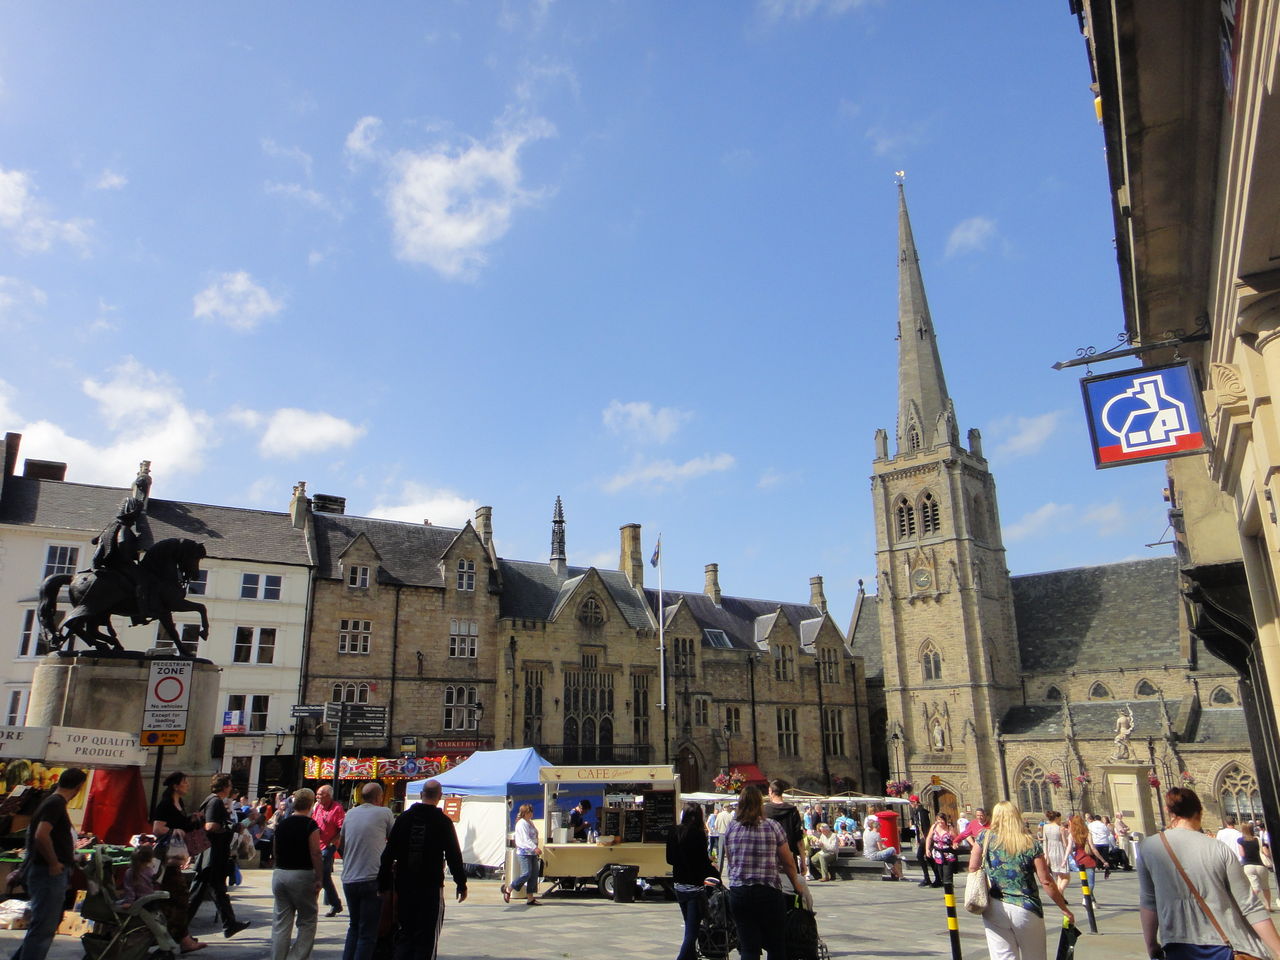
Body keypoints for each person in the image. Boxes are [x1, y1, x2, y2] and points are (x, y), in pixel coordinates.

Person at [1140, 788, 1280, 960]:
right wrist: (1278, 949)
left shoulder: (1147, 848)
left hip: (1177, 946)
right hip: (1225, 947)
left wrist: (1151, 945)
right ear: (1199, 813)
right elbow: (1249, 905)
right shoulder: (1218, 848)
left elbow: (1148, 903)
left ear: (1169, 812)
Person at [968, 800, 1073, 960]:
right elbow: (1046, 880)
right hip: (1026, 907)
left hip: (994, 906)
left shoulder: (984, 837)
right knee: (1035, 957)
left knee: (1003, 957)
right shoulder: (1030, 842)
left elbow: (973, 867)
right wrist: (1063, 908)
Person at [378, 779, 467, 960]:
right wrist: (461, 883)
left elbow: (388, 853)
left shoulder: (404, 819)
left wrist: (383, 883)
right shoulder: (443, 821)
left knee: (406, 932)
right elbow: (453, 854)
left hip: (405, 884)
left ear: (421, 794)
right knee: (426, 936)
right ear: (439, 797)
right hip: (430, 885)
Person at [722, 785, 810, 960]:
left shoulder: (731, 828)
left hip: (740, 892)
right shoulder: (772, 826)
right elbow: (788, 861)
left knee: (748, 948)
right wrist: (796, 884)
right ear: (760, 804)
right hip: (768, 892)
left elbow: (730, 860)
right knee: (776, 946)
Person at [11, 767, 88, 960]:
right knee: (44, 927)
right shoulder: (55, 803)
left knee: (43, 925)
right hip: (47, 874)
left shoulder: (52, 802)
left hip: (46, 871)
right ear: (79, 787)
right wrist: (54, 863)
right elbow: (41, 835)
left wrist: (69, 857)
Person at [187, 773, 250, 938]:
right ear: (224, 786)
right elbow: (210, 826)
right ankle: (178, 930)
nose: (231, 788)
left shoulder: (213, 800)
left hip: (213, 854)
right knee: (198, 893)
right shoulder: (215, 802)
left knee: (217, 890)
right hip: (212, 854)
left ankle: (230, 924)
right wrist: (232, 827)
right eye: (229, 784)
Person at [339, 782, 396, 960]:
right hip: (371, 877)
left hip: (349, 878)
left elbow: (341, 844)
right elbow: (394, 840)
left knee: (354, 926)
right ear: (379, 797)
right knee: (368, 933)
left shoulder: (350, 814)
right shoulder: (385, 813)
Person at [151, 770, 204, 953]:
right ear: (175, 786)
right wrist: (173, 831)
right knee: (180, 897)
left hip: (175, 858)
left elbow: (182, 825)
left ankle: (177, 936)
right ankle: (181, 939)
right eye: (185, 782)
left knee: (173, 898)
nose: (188, 785)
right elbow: (157, 828)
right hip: (166, 859)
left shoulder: (179, 803)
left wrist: (193, 819)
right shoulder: (166, 804)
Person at [272, 788, 323, 960]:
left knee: (281, 922)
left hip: (280, 873)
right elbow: (315, 852)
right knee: (307, 920)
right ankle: (296, 957)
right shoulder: (310, 825)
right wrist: (319, 877)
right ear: (310, 804)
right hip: (302, 874)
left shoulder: (283, 823)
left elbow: (275, 849)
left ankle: (277, 957)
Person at [666, 802, 718, 960]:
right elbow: (703, 863)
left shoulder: (673, 831)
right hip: (695, 888)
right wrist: (714, 871)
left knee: (690, 926)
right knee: (692, 932)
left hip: (679, 886)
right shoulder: (698, 834)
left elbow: (670, 859)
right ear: (697, 816)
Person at [313, 784, 345, 917]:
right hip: (317, 844)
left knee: (321, 873)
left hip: (328, 846)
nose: (317, 796)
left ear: (328, 796)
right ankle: (335, 904)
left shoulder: (337, 808)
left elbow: (342, 828)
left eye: (320, 794)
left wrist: (333, 842)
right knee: (324, 876)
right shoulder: (317, 807)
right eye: (317, 794)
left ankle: (333, 904)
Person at [502, 803, 543, 906]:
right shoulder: (521, 823)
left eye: (532, 811)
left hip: (532, 853)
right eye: (530, 812)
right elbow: (525, 839)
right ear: (525, 813)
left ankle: (530, 898)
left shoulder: (530, 822)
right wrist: (535, 847)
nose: (532, 813)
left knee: (534, 875)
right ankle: (509, 888)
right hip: (524, 852)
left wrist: (535, 847)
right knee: (526, 873)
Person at [764, 779, 804, 875]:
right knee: (792, 883)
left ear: (771, 791)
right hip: (789, 856)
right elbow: (799, 839)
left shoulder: (764, 810)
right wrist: (803, 861)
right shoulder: (793, 810)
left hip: (770, 856)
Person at [1066, 814, 1105, 905]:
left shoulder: (1072, 834)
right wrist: (1103, 860)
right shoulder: (1087, 833)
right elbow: (1093, 848)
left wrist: (1070, 858)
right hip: (1088, 858)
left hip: (1079, 859)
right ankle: (1086, 897)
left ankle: (1093, 901)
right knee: (1090, 883)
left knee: (1085, 881)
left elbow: (1069, 848)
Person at [1238, 822, 1275, 913]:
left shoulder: (1240, 840)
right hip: (1260, 865)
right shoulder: (1257, 839)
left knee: (1255, 887)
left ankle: (1250, 904)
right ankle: (1268, 906)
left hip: (1248, 866)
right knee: (1265, 887)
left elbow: (1242, 854)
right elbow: (1265, 852)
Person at [908, 794, 939, 886]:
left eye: (911, 802)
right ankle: (931, 878)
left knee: (924, 857)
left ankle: (933, 878)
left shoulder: (921, 812)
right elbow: (917, 827)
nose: (910, 804)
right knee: (926, 857)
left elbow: (924, 826)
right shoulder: (916, 812)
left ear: (915, 802)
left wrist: (926, 840)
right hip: (922, 839)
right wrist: (918, 839)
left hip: (925, 838)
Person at [924, 811, 960, 887]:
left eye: (942, 820)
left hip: (948, 854)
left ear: (945, 820)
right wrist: (927, 849)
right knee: (941, 875)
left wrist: (955, 844)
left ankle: (949, 890)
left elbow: (957, 839)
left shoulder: (950, 828)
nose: (940, 822)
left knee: (947, 876)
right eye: (938, 819)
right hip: (937, 854)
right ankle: (947, 888)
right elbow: (929, 838)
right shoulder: (934, 827)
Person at [863, 815, 903, 880]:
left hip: (870, 854)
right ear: (878, 827)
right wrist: (887, 849)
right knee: (892, 849)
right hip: (876, 855)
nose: (880, 829)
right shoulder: (877, 834)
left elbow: (874, 841)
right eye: (880, 827)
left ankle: (899, 875)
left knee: (892, 858)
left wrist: (881, 840)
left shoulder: (869, 834)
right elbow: (880, 849)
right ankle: (897, 857)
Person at [1040, 810, 1070, 893]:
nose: (1060, 820)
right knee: (1066, 877)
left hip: (1050, 852)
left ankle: (1061, 896)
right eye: (1059, 818)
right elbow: (1065, 844)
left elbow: (1045, 841)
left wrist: (1046, 854)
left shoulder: (1045, 827)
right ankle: (1059, 892)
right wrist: (1064, 835)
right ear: (1056, 818)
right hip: (1060, 851)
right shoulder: (1060, 828)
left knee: (1058, 876)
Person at [1086, 813, 1114, 878]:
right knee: (1105, 856)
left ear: (1094, 819)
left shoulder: (1091, 825)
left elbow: (1089, 832)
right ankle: (1105, 867)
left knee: (1097, 855)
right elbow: (1108, 833)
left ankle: (1098, 866)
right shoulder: (1103, 825)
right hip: (1105, 842)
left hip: (1096, 842)